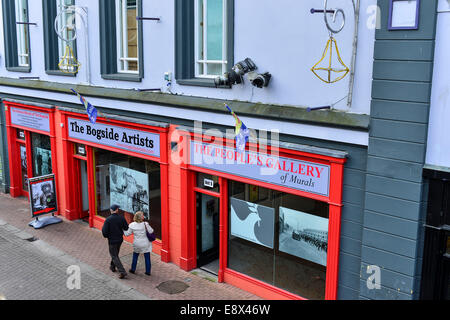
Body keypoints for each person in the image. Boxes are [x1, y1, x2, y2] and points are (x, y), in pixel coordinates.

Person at [102, 204, 129, 279]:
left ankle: (122, 271)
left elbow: (104, 232)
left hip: (112, 241)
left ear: (111, 210)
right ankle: (112, 267)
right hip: (120, 239)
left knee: (114, 255)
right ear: (117, 210)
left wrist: (108, 236)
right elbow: (126, 228)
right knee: (115, 254)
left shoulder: (108, 220)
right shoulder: (121, 218)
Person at [124, 211, 153, 276]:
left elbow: (127, 234)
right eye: (142, 215)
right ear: (141, 218)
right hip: (145, 243)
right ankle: (148, 271)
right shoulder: (145, 224)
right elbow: (151, 231)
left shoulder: (132, 225)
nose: (143, 216)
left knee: (135, 257)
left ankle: (133, 269)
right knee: (147, 258)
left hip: (137, 243)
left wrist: (122, 230)